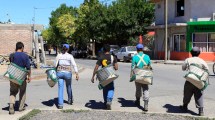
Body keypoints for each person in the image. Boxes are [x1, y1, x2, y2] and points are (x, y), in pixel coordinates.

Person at [180, 47, 209, 116]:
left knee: (187, 93)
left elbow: (183, 68)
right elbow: (207, 69)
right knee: (199, 94)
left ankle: (185, 106)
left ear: (191, 53)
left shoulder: (188, 59)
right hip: (199, 80)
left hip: (190, 79)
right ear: (199, 53)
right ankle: (201, 110)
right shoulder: (202, 61)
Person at [91, 44, 118, 110]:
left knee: (105, 89)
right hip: (110, 75)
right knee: (111, 88)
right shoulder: (113, 57)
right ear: (109, 50)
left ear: (103, 50)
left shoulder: (101, 57)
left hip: (103, 75)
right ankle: (109, 101)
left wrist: (93, 76)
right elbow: (116, 68)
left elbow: (96, 68)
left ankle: (106, 102)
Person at [9, 42, 31, 115]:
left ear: (16, 48)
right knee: (22, 92)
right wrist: (29, 76)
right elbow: (28, 68)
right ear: (22, 48)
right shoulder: (25, 56)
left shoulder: (12, 55)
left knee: (13, 92)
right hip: (21, 76)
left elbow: (11, 63)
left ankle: (11, 105)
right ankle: (21, 107)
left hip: (12, 75)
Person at [55, 44, 79, 109]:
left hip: (59, 73)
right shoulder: (70, 56)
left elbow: (55, 65)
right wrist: (76, 73)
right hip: (68, 73)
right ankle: (70, 100)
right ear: (68, 49)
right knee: (69, 86)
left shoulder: (59, 55)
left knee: (60, 88)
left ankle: (60, 104)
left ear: (62, 48)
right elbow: (74, 65)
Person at [131, 43, 151, 111]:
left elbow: (133, 67)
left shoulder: (135, 57)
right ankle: (146, 104)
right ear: (142, 49)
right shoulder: (147, 57)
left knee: (138, 88)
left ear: (137, 49)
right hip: (145, 75)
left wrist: (132, 76)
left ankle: (137, 101)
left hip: (138, 75)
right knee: (146, 89)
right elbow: (149, 66)